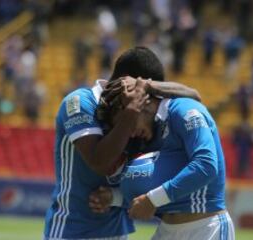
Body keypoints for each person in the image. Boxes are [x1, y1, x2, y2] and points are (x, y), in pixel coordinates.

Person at [43, 46, 202, 240]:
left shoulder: (138, 119)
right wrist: (132, 110)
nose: (150, 105)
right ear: (127, 88)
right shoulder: (80, 102)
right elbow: (100, 162)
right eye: (146, 98)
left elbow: (194, 96)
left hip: (118, 232)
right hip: (71, 229)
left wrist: (148, 87)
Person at [89, 81, 234, 239]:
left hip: (205, 229)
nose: (129, 134)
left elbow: (206, 165)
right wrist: (114, 197)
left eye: (126, 124)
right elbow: (161, 189)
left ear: (140, 104)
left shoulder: (184, 109)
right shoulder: (154, 131)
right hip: (167, 231)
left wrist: (152, 200)